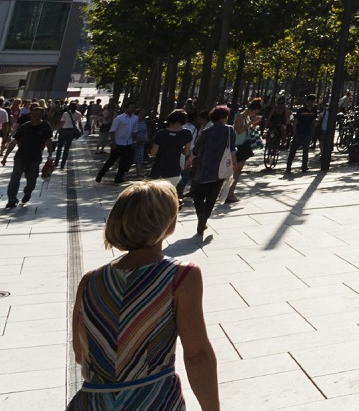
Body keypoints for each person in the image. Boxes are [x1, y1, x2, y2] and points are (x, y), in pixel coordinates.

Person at [70, 180, 219, 410]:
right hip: (154, 400)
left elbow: (80, 354)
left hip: (93, 402)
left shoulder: (90, 280)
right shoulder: (180, 276)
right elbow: (197, 355)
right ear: (167, 223)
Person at [188, 107, 237, 238]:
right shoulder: (230, 130)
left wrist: (190, 159)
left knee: (198, 195)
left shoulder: (206, 131)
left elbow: (197, 150)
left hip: (204, 168)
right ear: (223, 117)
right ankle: (205, 218)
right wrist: (234, 164)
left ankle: (200, 216)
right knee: (212, 196)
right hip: (221, 169)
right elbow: (232, 150)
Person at [5, 108, 52, 210]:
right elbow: (14, 141)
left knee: (31, 179)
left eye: (38, 114)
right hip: (21, 156)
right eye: (34, 113)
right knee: (15, 178)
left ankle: (27, 193)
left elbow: (48, 140)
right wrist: (5, 156)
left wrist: (50, 154)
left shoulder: (45, 126)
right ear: (31, 115)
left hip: (35, 157)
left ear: (42, 115)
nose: (36, 116)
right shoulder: (25, 126)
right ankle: (12, 199)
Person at [226, 100, 263, 206]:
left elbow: (244, 130)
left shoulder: (246, 117)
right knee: (235, 171)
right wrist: (251, 123)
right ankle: (230, 193)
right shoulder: (241, 116)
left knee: (237, 171)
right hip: (238, 146)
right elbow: (238, 130)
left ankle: (231, 192)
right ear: (252, 109)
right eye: (255, 112)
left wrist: (252, 125)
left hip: (243, 145)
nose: (254, 114)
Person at [94, 105, 142, 183]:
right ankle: (101, 174)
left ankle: (119, 178)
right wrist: (113, 142)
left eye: (133, 107)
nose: (132, 109)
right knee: (111, 160)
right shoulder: (119, 118)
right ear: (126, 108)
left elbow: (134, 130)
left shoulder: (135, 118)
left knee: (124, 162)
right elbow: (112, 130)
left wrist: (134, 141)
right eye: (131, 107)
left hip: (128, 143)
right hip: (118, 142)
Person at [146, 113, 192, 188]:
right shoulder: (186, 133)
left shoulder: (161, 133)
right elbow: (186, 152)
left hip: (159, 169)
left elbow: (153, 152)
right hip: (174, 169)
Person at [284, 101, 318, 176]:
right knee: (294, 149)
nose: (311, 103)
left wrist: (313, 130)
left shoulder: (314, 110)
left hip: (307, 132)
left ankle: (304, 166)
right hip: (299, 132)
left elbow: (313, 121)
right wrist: (294, 130)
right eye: (310, 101)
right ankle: (289, 165)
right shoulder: (301, 110)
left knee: (305, 150)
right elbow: (296, 120)